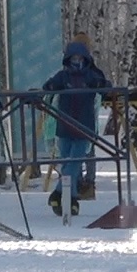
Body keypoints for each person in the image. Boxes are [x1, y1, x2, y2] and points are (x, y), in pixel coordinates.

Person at [40, 41, 109, 216]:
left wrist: (106, 88)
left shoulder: (90, 77)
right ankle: (70, 200)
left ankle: (58, 192)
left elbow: (104, 87)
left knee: (75, 162)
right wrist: (47, 88)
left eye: (80, 58)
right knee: (67, 163)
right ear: (67, 59)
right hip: (64, 126)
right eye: (73, 58)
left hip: (83, 127)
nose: (76, 61)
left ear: (86, 60)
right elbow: (49, 86)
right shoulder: (62, 76)